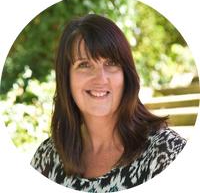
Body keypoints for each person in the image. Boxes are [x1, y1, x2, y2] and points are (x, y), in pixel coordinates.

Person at [28, 14, 190, 192]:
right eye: (84, 64)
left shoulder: (167, 153)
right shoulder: (47, 158)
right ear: (66, 79)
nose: (100, 79)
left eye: (111, 63)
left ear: (126, 76)